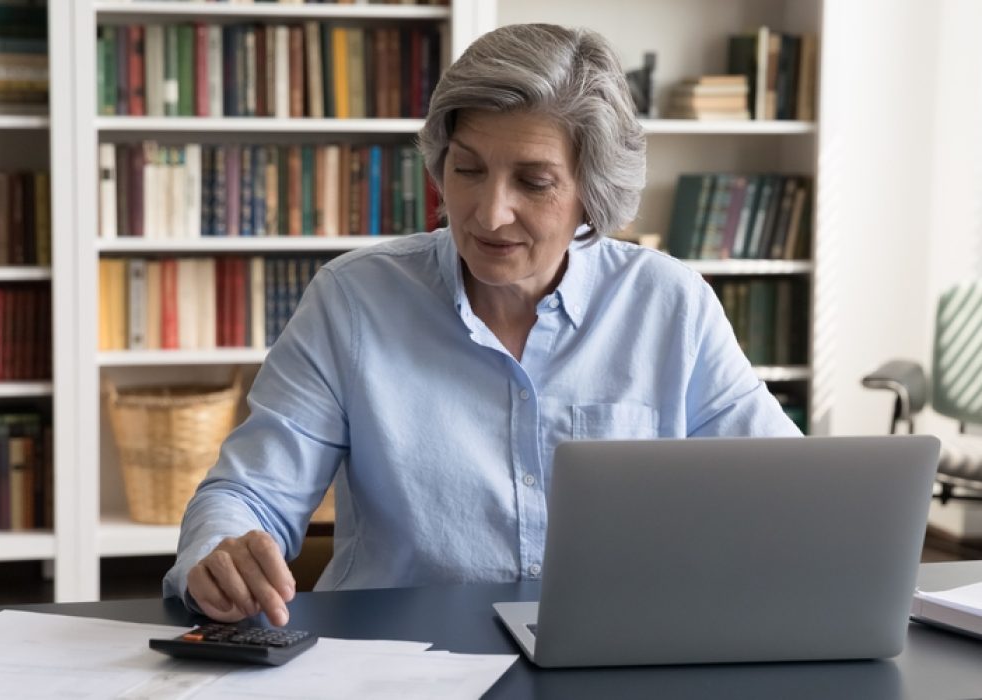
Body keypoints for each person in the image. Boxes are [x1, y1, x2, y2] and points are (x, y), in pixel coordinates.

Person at [163, 23, 801, 625]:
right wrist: (218, 554)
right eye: (467, 170)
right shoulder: (353, 300)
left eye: (534, 181)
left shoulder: (670, 306)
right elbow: (249, 493)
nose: (490, 214)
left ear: (592, 194)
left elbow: (791, 496)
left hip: (614, 655)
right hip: (393, 666)